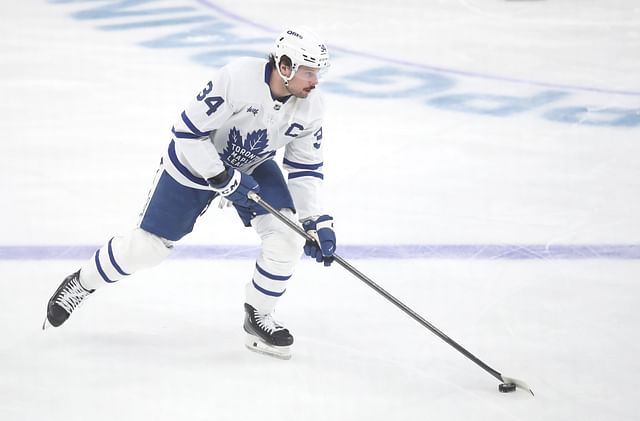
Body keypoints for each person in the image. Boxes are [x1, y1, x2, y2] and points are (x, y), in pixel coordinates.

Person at [43, 27, 337, 360]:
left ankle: (259, 317)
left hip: (253, 164)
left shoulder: (312, 106)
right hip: (196, 164)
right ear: (285, 66)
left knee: (287, 237)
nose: (315, 81)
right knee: (147, 249)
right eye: (310, 72)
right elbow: (187, 132)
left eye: (319, 73)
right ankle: (82, 283)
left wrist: (314, 219)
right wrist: (221, 177)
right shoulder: (237, 78)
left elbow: (305, 169)